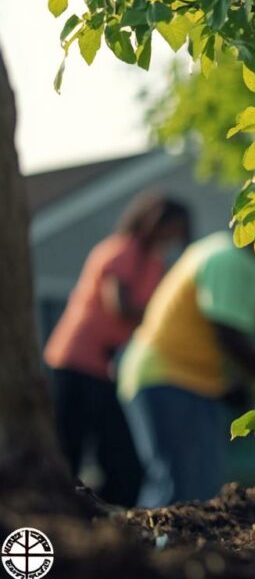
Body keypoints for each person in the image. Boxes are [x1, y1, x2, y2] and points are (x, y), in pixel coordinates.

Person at [42, 192, 190, 507]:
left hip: (108, 368)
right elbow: (119, 304)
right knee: (71, 444)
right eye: (170, 229)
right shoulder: (121, 250)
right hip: (76, 360)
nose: (172, 237)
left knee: (121, 456)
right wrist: (161, 320)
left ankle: (101, 510)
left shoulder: (154, 262)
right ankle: (58, 508)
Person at [118, 231, 255, 507]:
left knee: (201, 487)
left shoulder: (215, 249)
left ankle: (173, 549)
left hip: (189, 379)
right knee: (179, 485)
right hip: (168, 375)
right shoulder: (228, 259)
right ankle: (149, 548)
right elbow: (227, 330)